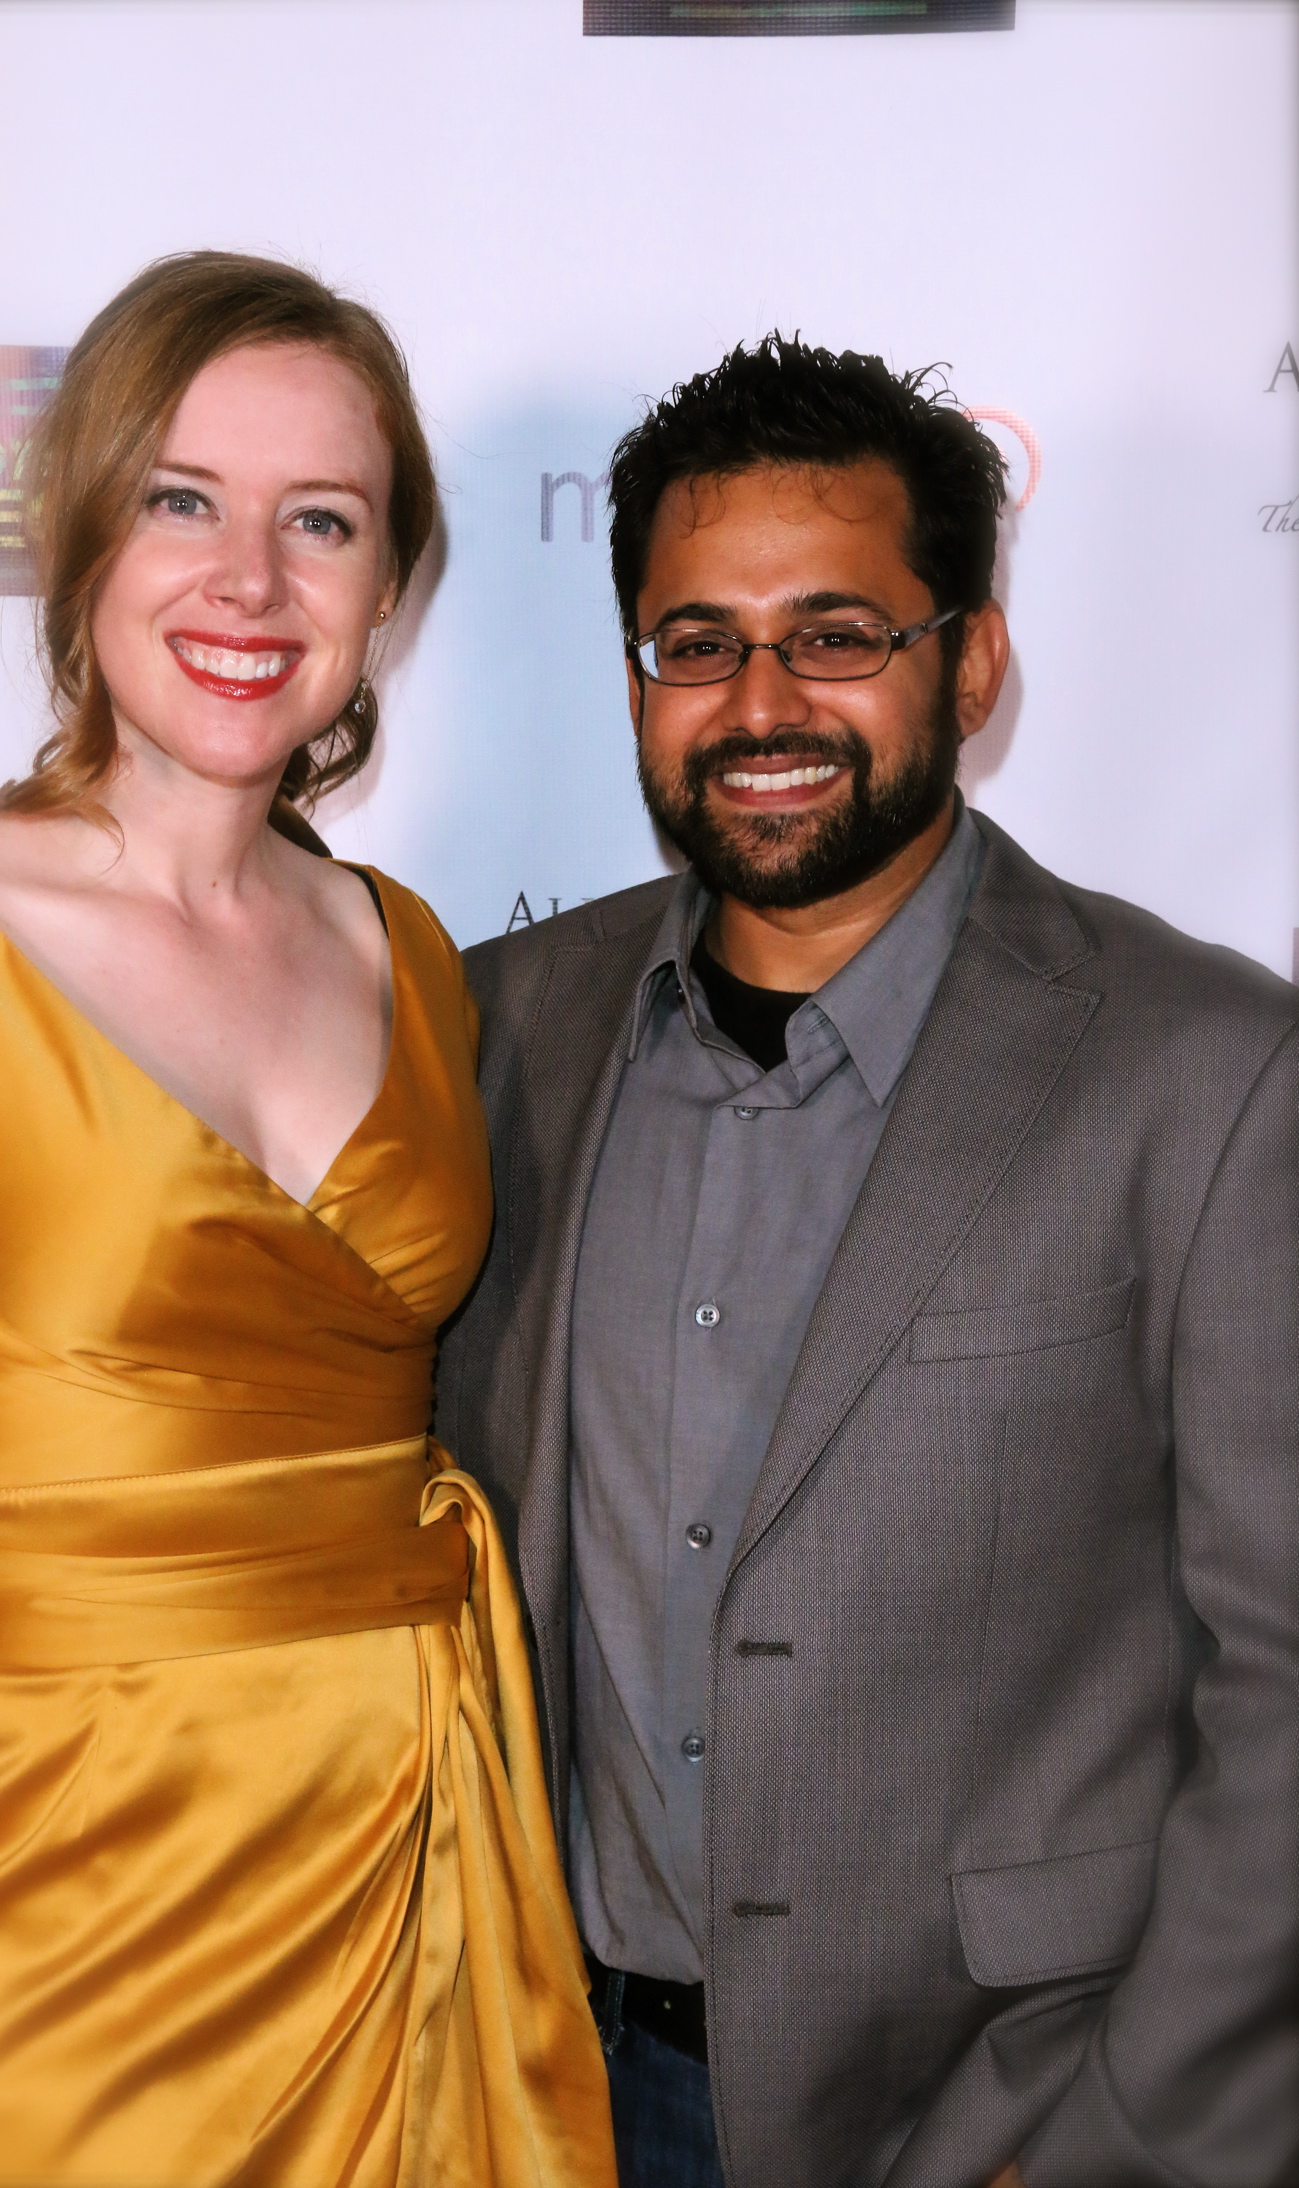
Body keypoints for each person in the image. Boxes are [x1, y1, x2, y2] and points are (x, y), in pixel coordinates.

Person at [428, 340, 1299, 2185]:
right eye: (696, 642)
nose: (760, 700)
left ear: (969, 662)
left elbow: (1286, 1683)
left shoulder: (1206, 1074)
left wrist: (1124, 2139)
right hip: (560, 2093)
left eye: (836, 634)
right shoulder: (496, 1031)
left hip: (1008, 2104)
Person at [0, 251, 614, 2188]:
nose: (250, 583)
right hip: (44, 1939)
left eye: (321, 522)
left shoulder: (416, 958)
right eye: (183, 498)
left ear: (390, 586)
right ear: (86, 525)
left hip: (414, 1900)